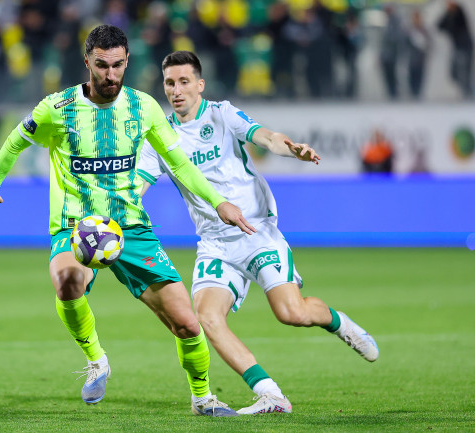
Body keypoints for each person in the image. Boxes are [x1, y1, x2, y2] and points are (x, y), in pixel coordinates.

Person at [0, 25, 256, 417]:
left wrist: (219, 201)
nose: (110, 74)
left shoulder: (144, 107)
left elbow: (179, 164)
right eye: (102, 65)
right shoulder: (57, 108)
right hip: (76, 225)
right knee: (67, 280)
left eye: (118, 65)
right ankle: (96, 360)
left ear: (127, 62)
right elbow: (15, 141)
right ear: (87, 62)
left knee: (187, 325)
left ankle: (203, 398)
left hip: (131, 227)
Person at [137, 51, 379, 415]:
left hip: (256, 232)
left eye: (184, 82)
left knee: (291, 312)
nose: (176, 90)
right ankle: (271, 395)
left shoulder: (221, 114)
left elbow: (265, 136)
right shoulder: (160, 137)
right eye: (170, 83)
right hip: (215, 243)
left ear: (200, 85)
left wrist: (291, 150)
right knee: (207, 318)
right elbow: (137, 185)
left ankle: (339, 323)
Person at [437, 0, 473, 97]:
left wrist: (449, 17)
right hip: (457, 47)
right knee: (454, 73)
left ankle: (468, 92)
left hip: (465, 47)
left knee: (464, 72)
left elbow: (453, 27)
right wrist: (447, 13)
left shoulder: (459, 13)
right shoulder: (449, 14)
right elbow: (439, 25)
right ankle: (466, 90)